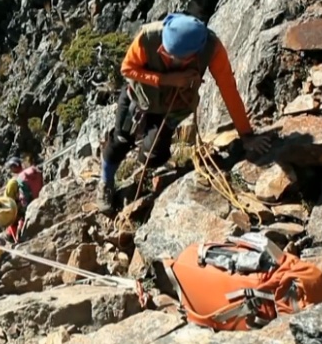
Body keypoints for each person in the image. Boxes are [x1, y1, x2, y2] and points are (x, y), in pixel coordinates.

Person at [97, 12, 271, 213]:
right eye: (166, 50)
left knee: (154, 157)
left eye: (174, 56)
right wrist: (168, 80)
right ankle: (105, 182)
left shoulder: (212, 49)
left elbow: (228, 90)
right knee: (120, 140)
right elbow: (127, 69)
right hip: (139, 98)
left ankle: (145, 165)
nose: (166, 54)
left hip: (174, 106)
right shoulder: (149, 37)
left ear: (193, 53)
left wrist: (246, 135)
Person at [2, 157, 44, 242]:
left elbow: (8, 199)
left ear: (14, 167)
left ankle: (17, 237)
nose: (10, 169)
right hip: (39, 197)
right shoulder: (32, 171)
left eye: (11, 167)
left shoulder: (14, 181)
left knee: (15, 218)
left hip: (25, 204)